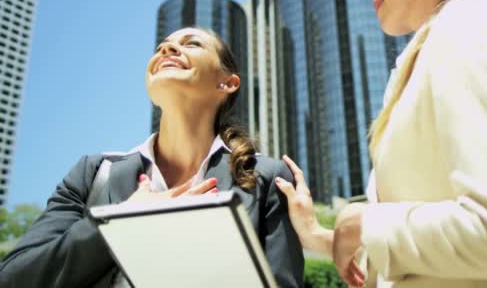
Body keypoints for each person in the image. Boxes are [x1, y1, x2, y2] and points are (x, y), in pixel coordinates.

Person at [276, 0, 487, 287]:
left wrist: (366, 223)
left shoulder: (465, 29)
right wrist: (320, 235)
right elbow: (415, 255)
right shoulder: (433, 50)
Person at [0, 27, 304, 287]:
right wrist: (120, 220)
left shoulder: (266, 177)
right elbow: (14, 278)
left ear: (227, 83)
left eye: (191, 44)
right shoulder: (92, 173)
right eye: (161, 47)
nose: (167, 48)